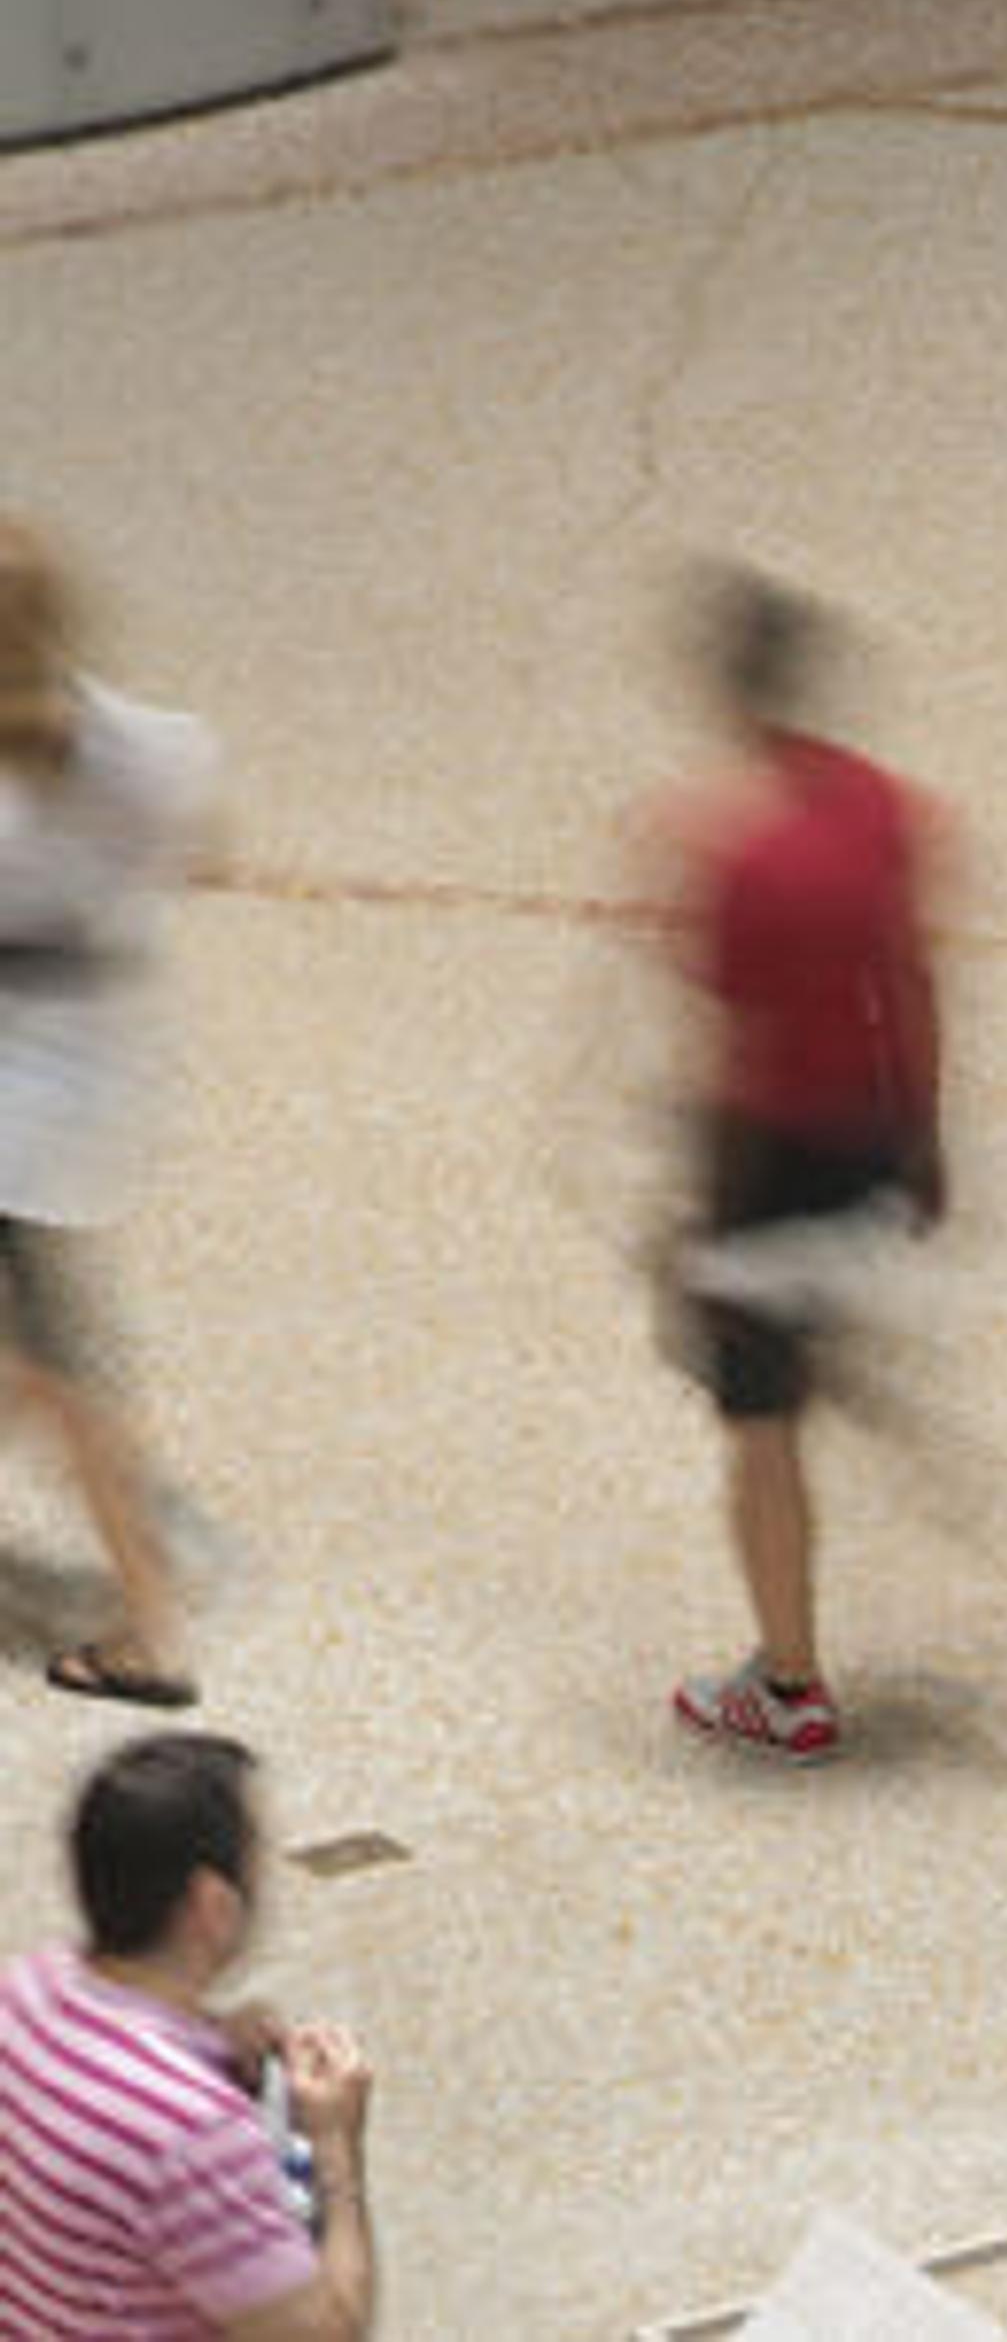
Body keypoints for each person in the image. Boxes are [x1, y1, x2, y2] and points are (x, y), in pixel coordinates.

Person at [645, 566, 945, 1762]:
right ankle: (828, 1331)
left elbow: (733, 1048)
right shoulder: (885, 808)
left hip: (769, 1158)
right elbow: (915, 980)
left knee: (759, 1424)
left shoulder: (742, 861)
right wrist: (926, 1138)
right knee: (803, 1347)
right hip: (874, 1129)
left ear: (730, 695)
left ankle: (786, 1680)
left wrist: (699, 1218)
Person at [0, 521, 223, 1712]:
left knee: (66, 1370)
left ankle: (153, 1628)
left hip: (14, 1111)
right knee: (52, 1349)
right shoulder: (149, 745)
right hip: (92, 1085)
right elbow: (201, 847)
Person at [0, 1733, 376, 2338]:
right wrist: (337, 2143)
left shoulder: (24, 1986)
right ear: (213, 1906)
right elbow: (325, 2331)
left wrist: (207, 2039)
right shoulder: (195, 2134)